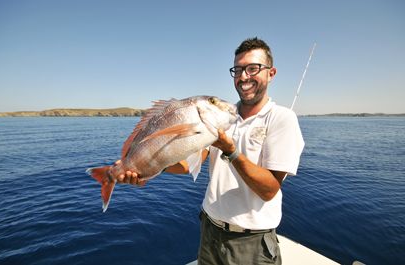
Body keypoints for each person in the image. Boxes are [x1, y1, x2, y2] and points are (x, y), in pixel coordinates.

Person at [117, 37, 304, 265]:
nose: (244, 76)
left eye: (253, 68)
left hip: (251, 242)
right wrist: (147, 168)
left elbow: (269, 190)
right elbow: (188, 165)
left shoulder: (281, 118)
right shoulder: (221, 117)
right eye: (238, 70)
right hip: (209, 230)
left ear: (271, 73)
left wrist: (231, 151)